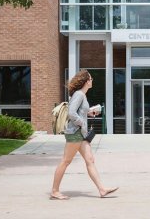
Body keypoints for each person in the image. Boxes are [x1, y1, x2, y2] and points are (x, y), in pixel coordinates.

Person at [51, 69, 119, 200]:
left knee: (90, 160)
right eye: (91, 78)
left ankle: (102, 189)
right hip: (75, 133)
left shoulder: (82, 95)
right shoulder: (79, 95)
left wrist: (89, 113)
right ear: (86, 81)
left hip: (81, 134)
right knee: (65, 161)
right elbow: (71, 113)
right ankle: (55, 190)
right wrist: (82, 123)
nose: (92, 80)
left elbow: (78, 111)